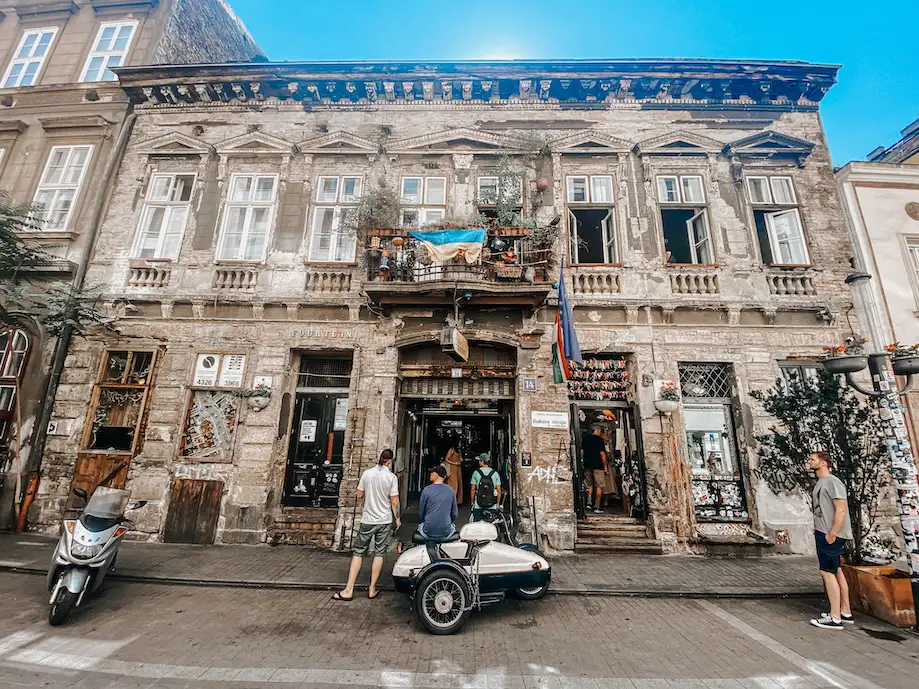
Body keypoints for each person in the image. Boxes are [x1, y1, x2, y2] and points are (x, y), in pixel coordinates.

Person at [334, 449, 400, 601]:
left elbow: (359, 494)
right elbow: (394, 500)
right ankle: (372, 588)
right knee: (379, 553)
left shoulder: (367, 473)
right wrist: (397, 519)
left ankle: (349, 589)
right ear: (390, 461)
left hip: (368, 519)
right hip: (384, 520)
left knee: (358, 552)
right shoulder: (391, 477)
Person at [808, 450, 854, 630]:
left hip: (830, 533)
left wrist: (832, 532)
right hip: (825, 531)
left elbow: (841, 509)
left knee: (827, 572)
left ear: (824, 463)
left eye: (813, 459)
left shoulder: (833, 483)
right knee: (836, 570)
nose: (810, 462)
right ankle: (845, 610)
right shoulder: (822, 482)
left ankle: (834, 617)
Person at [418, 465, 458, 541]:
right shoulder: (450, 490)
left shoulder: (426, 490)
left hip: (428, 530)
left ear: (437, 475)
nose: (430, 474)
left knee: (421, 526)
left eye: (432, 472)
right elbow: (454, 514)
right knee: (452, 526)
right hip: (446, 531)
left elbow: (421, 513)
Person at [581, 425, 608, 514]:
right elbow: (602, 454)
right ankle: (597, 506)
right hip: (598, 465)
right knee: (599, 485)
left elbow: (582, 452)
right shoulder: (599, 440)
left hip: (587, 465)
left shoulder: (585, 439)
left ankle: (588, 504)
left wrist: (583, 461)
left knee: (589, 485)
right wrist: (605, 466)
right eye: (600, 430)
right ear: (596, 430)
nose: (600, 432)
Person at [470, 453, 501, 522]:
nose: (478, 462)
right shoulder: (495, 473)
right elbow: (499, 491)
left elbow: (473, 489)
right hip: (492, 504)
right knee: (492, 524)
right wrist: (497, 504)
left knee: (477, 526)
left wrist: (472, 502)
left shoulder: (476, 473)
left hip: (478, 504)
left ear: (482, 462)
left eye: (479, 460)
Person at [444, 440, 464, 505]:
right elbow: (446, 459)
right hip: (453, 468)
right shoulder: (451, 450)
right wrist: (454, 463)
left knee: (458, 484)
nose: (460, 444)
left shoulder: (459, 451)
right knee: (453, 484)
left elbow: (460, 459)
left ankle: (456, 500)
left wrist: (460, 460)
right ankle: (451, 500)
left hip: (458, 468)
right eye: (459, 442)